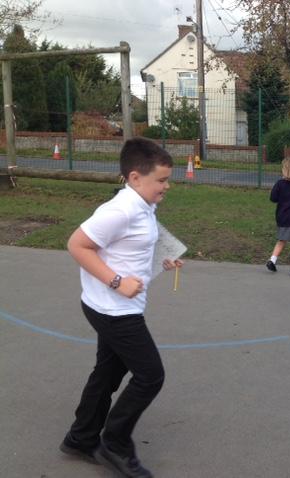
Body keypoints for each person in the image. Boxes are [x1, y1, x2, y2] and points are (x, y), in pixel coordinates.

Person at [60, 137, 182, 478]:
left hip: (112, 305)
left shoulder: (143, 205)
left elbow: (134, 244)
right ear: (135, 178)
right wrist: (116, 281)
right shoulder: (120, 210)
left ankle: (81, 438)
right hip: (113, 309)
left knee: (108, 373)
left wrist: (163, 257)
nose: (167, 186)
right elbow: (77, 245)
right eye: (161, 180)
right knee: (150, 375)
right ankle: (114, 443)